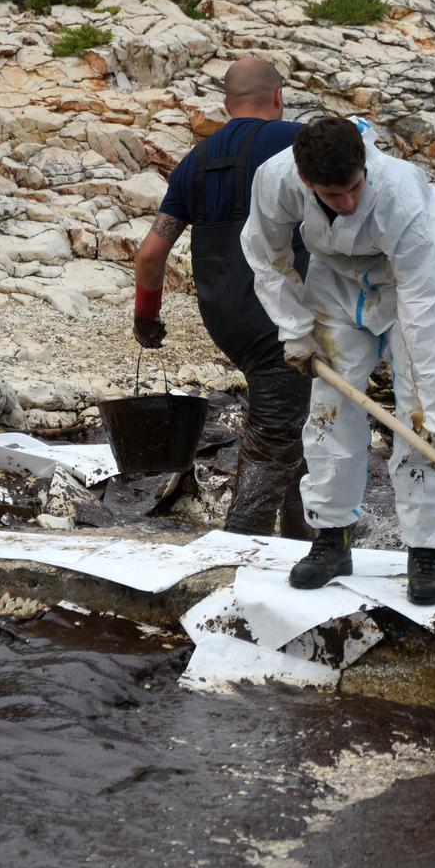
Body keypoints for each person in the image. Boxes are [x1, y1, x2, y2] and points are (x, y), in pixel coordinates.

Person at [239, 116, 435, 605]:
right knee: (331, 406)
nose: (346, 203)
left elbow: (425, 321)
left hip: (416, 279)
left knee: (418, 413)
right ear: (306, 181)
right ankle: (331, 538)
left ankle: (426, 550)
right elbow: (266, 254)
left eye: (353, 189)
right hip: (339, 281)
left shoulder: (401, 197)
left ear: (364, 166)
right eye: (332, 195)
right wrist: (296, 329)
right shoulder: (276, 179)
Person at [130, 57, 313, 539]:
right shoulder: (296, 142)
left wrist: (146, 320)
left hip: (225, 319)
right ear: (279, 97)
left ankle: (306, 537)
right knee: (274, 432)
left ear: (226, 106)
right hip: (279, 316)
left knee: (299, 423)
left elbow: (150, 254)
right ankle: (236, 548)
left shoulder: (195, 161)